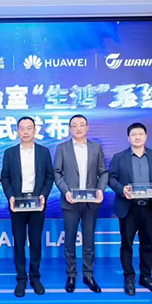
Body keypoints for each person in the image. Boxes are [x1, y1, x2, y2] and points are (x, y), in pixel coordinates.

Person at [108, 122, 152, 296]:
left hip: (149, 207)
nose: (137, 137)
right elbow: (111, 178)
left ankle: (146, 277)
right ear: (128, 138)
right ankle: (129, 277)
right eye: (133, 135)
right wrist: (122, 189)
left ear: (146, 136)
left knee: (147, 244)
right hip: (128, 207)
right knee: (126, 244)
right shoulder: (119, 157)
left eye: (140, 134)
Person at [54, 114, 108, 293]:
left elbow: (103, 172)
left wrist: (100, 189)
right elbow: (57, 173)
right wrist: (66, 191)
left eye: (81, 125)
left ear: (87, 127)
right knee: (69, 240)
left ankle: (88, 274)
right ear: (70, 129)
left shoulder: (96, 148)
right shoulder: (62, 148)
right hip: (70, 201)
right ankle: (71, 274)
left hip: (91, 202)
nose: (78, 128)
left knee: (89, 240)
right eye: (74, 125)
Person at [1, 116, 54, 297]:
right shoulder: (9, 153)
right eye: (22, 128)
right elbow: (5, 177)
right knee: (19, 242)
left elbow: (49, 176)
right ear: (17, 131)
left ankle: (35, 277)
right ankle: (21, 279)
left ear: (34, 130)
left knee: (36, 241)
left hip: (37, 203)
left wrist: (43, 195)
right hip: (17, 203)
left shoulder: (44, 152)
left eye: (29, 128)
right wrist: (10, 197)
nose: (25, 132)